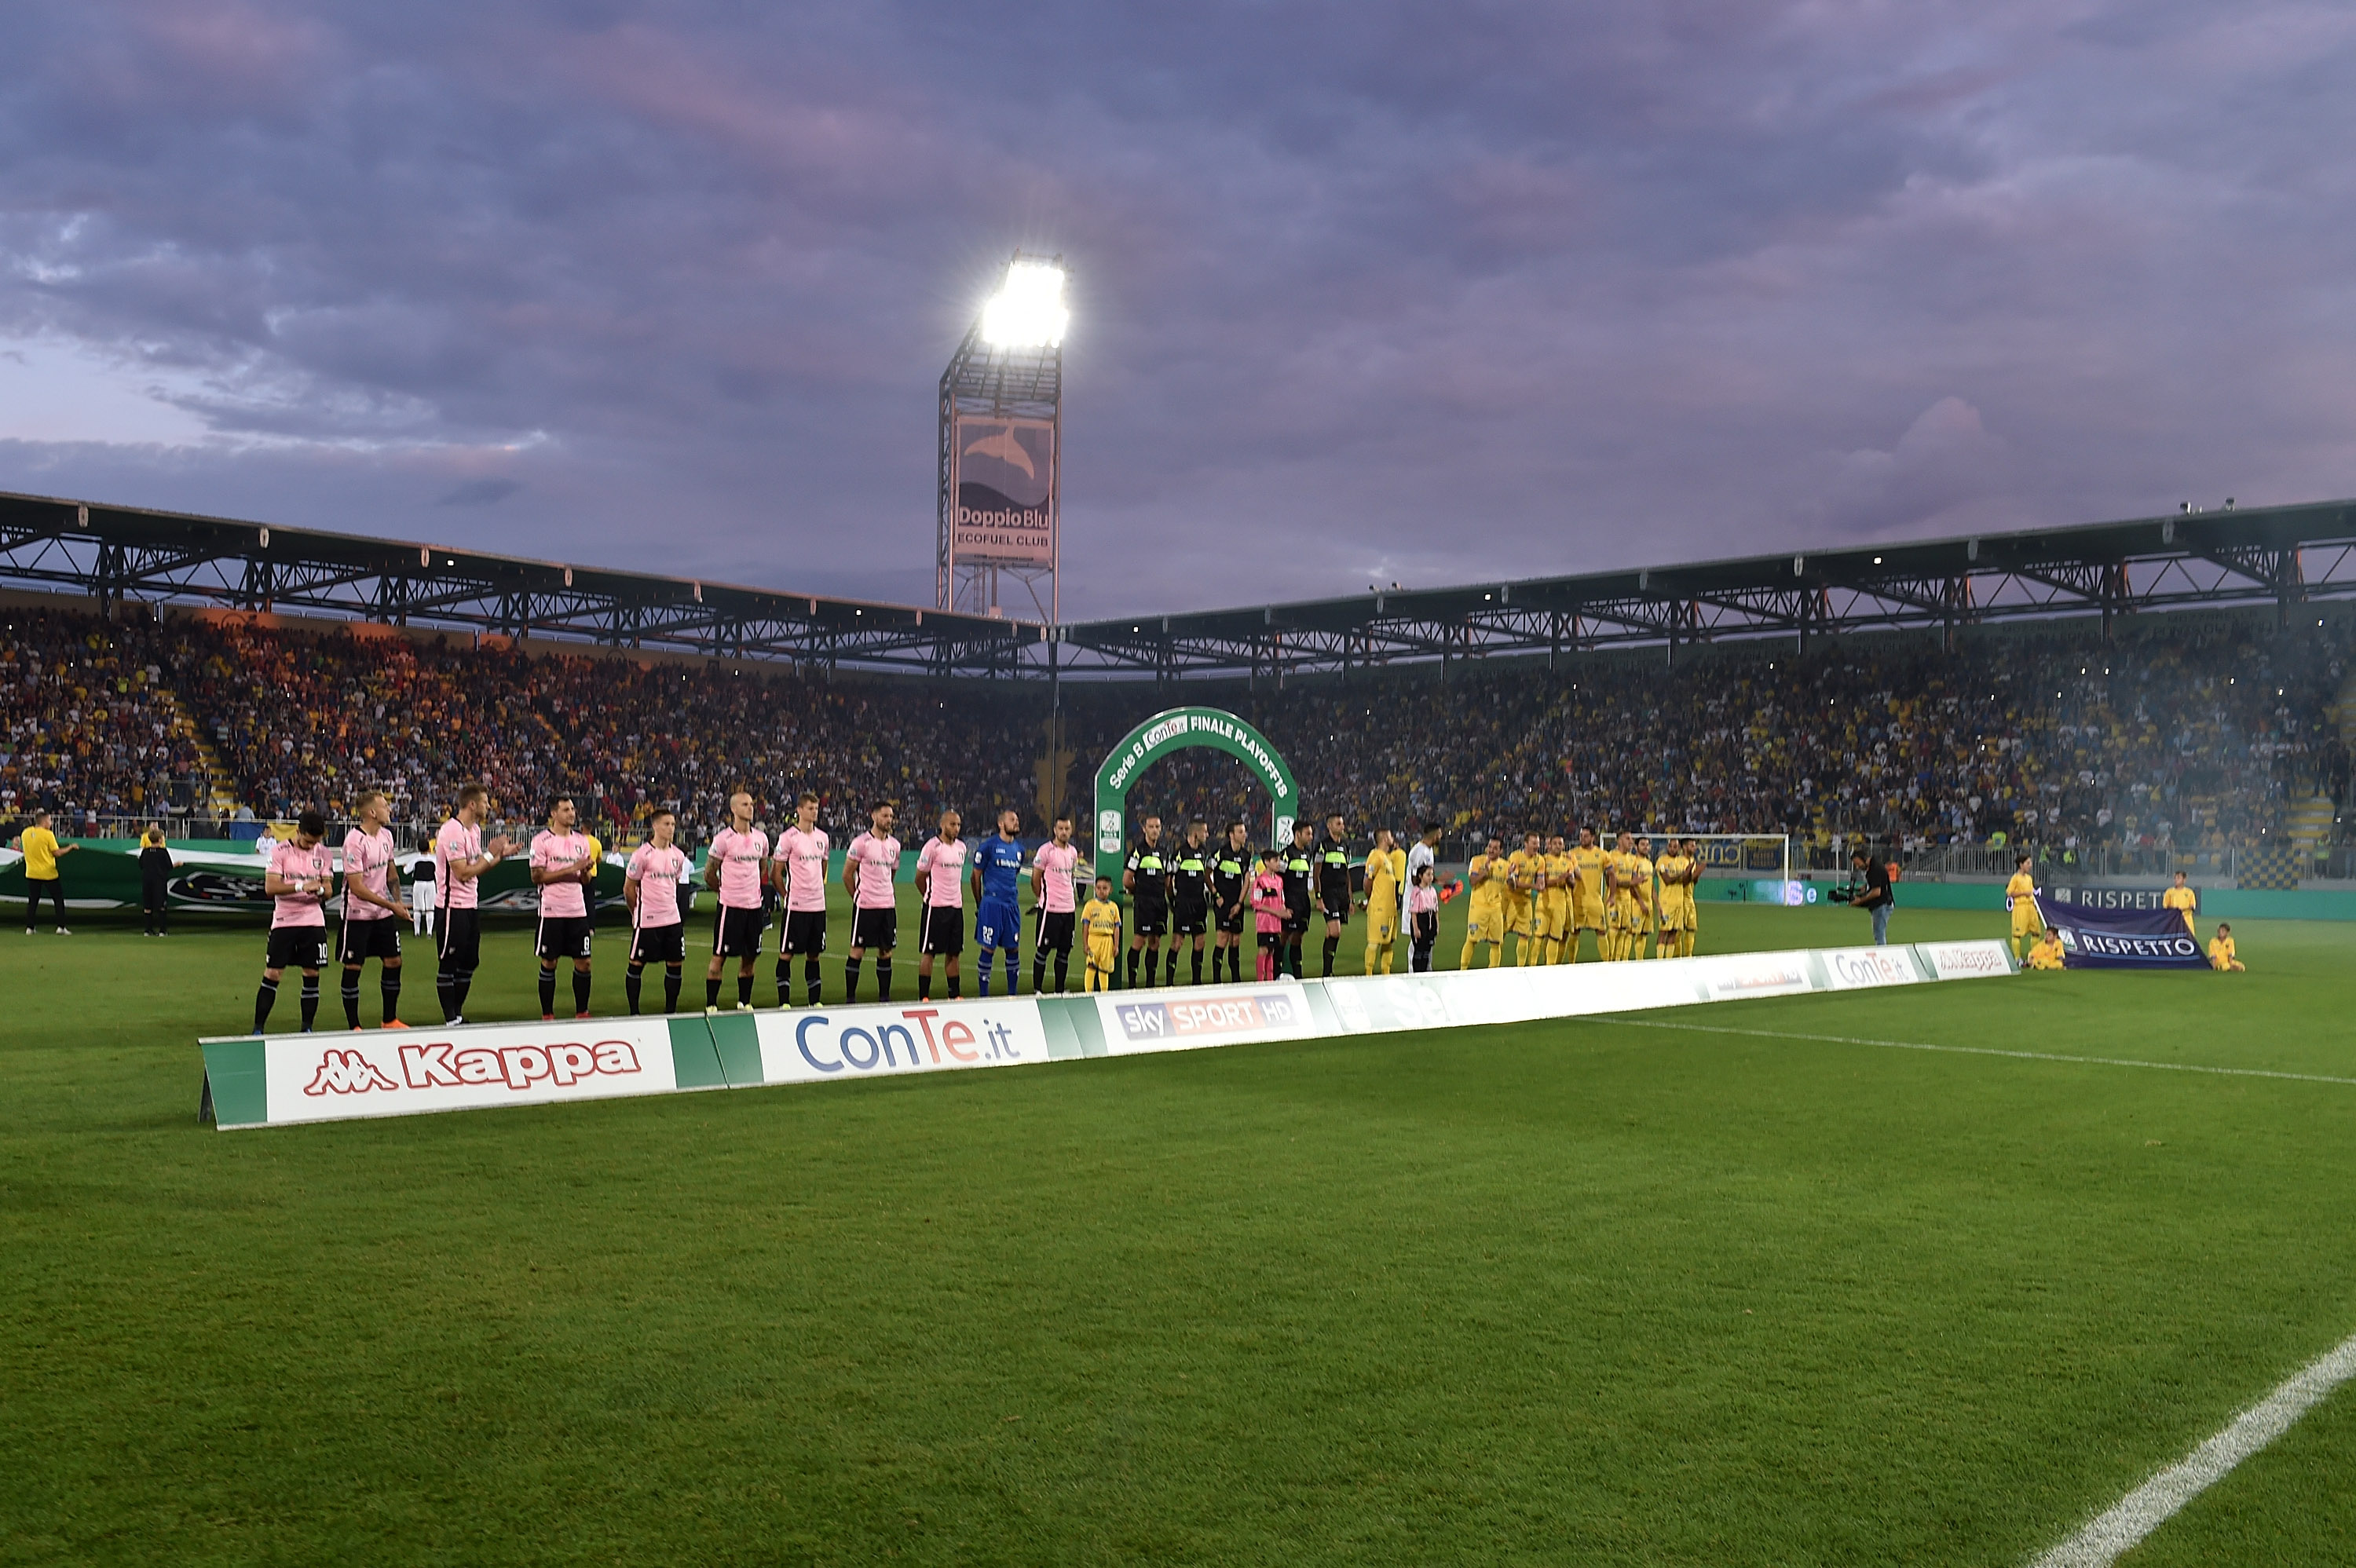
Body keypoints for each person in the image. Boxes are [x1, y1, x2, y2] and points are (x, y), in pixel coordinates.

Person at [434, 784, 517, 1025]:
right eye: (485, 802)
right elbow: (462, 873)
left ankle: (458, 1015)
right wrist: (490, 854)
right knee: (449, 962)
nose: (489, 806)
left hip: (470, 904)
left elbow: (477, 868)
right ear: (472, 804)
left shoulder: (475, 831)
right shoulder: (452, 831)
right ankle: (450, 1019)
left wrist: (500, 856)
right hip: (452, 906)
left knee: (469, 962)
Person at [255, 810, 335, 1034]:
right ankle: (258, 1028)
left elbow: (328, 889)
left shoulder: (325, 854)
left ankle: (307, 1028)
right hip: (285, 919)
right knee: (273, 973)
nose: (312, 846)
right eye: (308, 841)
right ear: (298, 832)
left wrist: (320, 889)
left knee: (312, 973)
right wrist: (301, 886)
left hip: (313, 920)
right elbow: (270, 888)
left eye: (316, 842)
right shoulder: (280, 851)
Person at [338, 790, 410, 1028]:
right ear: (371, 812)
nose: (389, 809)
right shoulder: (354, 841)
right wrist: (392, 905)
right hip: (357, 914)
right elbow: (357, 888)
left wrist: (397, 901)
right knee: (354, 966)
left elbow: (391, 874)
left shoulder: (387, 836)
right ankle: (354, 1026)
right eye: (384, 806)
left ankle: (389, 1019)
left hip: (383, 913)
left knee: (394, 961)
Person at [531, 794, 599, 1021]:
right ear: (554, 814)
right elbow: (537, 876)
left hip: (577, 910)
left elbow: (585, 880)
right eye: (566, 810)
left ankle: (582, 1012)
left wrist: (584, 871)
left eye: (572, 809)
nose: (572, 813)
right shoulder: (542, 841)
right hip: (552, 911)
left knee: (585, 962)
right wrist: (573, 867)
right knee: (550, 962)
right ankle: (547, 1015)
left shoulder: (582, 841)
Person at [702, 787, 769, 1011]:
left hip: (754, 907)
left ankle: (744, 1002)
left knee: (750, 958)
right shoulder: (723, 839)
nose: (750, 808)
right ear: (733, 809)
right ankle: (712, 1004)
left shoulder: (761, 838)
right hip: (731, 907)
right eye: (744, 804)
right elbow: (709, 873)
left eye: (751, 804)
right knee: (719, 956)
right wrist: (724, 891)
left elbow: (762, 868)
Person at [624, 808, 689, 1014]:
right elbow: (628, 888)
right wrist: (637, 911)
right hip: (648, 920)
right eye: (666, 824)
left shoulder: (678, 855)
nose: (671, 828)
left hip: (672, 919)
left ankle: (671, 1011)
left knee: (675, 964)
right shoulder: (642, 855)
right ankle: (634, 1012)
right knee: (637, 964)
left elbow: (675, 882)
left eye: (673, 824)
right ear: (655, 826)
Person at [773, 791, 830, 1007]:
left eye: (816, 809)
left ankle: (814, 1001)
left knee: (814, 955)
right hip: (796, 906)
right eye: (810, 808)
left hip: (818, 905)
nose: (814, 812)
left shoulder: (823, 838)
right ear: (799, 810)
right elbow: (776, 873)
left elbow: (823, 866)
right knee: (787, 953)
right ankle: (784, 1001)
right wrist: (786, 895)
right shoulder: (788, 838)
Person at [841, 800, 901, 1002]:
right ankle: (850, 998)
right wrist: (857, 897)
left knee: (886, 952)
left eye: (891, 816)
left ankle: (884, 997)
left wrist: (885, 892)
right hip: (866, 906)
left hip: (887, 905)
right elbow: (847, 875)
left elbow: (891, 873)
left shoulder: (895, 845)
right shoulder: (861, 843)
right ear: (874, 816)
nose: (889, 820)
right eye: (885, 816)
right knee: (858, 951)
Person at [913, 807, 968, 1001]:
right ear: (942, 825)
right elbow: (919, 877)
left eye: (959, 825)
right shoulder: (932, 847)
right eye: (953, 824)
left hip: (956, 907)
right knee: (929, 952)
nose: (956, 828)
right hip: (935, 908)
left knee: (954, 953)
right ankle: (924, 996)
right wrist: (929, 896)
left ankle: (954, 994)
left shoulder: (962, 848)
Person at [972, 806, 1027, 996]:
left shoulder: (1020, 850)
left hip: (1011, 905)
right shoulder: (988, 847)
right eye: (1012, 819)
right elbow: (975, 877)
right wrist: (981, 903)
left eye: (1017, 820)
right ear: (1001, 823)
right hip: (992, 904)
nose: (1016, 823)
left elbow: (1015, 873)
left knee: (1013, 948)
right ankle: (984, 995)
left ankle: (1012, 994)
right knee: (989, 947)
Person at [1030, 813, 1081, 994]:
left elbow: (1072, 876)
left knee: (1064, 952)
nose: (1064, 832)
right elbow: (1035, 879)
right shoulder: (1045, 851)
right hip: (1050, 909)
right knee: (1043, 950)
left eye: (1067, 829)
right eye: (1061, 829)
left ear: (1071, 830)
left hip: (1069, 909)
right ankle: (1038, 990)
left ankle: (1059, 990)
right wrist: (1042, 899)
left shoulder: (1073, 852)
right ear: (1054, 830)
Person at [1124, 814, 1172, 988]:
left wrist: (1171, 899)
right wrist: (1141, 892)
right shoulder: (1138, 852)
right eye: (1151, 827)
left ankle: (1150, 984)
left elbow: (1167, 880)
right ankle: (1131, 984)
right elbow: (1127, 880)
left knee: (1155, 942)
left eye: (1157, 827)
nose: (1155, 830)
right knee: (1139, 940)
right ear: (1144, 829)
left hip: (1160, 903)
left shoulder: (1165, 852)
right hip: (1144, 903)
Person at [1169, 819, 1213, 985]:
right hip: (1184, 902)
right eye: (1205, 832)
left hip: (1199, 902)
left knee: (1200, 942)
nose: (1207, 835)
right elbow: (1169, 878)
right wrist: (1172, 899)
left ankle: (1196, 981)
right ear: (1196, 834)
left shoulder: (1203, 851)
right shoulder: (1180, 853)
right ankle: (1169, 982)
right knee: (1178, 942)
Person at [16, 808, 75, 934]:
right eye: (50, 820)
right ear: (44, 822)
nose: (51, 823)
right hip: (48, 873)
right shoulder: (48, 835)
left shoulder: (25, 833)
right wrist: (70, 847)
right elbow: (57, 853)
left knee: (33, 901)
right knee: (58, 899)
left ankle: (30, 928)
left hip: (31, 872)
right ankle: (61, 927)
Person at [1211, 821, 1253, 985]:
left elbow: (1247, 881)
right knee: (1222, 938)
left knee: (1236, 940)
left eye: (1245, 831)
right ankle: (1216, 980)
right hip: (1223, 903)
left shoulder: (1246, 856)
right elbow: (1208, 874)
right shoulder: (1220, 853)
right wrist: (1216, 895)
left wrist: (1240, 903)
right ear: (1231, 835)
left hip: (1237, 903)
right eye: (1241, 832)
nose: (1245, 834)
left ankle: (1236, 979)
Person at [1314, 813, 1353, 977]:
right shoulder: (1323, 846)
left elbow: (1347, 874)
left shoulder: (1345, 846)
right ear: (1329, 826)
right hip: (1329, 893)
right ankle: (1327, 971)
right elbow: (1316, 873)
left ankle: (1328, 971)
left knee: (1333, 933)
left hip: (1342, 893)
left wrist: (1350, 899)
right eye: (1338, 824)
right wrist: (1318, 897)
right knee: (1335, 931)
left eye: (1342, 824)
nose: (1342, 826)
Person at [1362, 827, 1405, 974]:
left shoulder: (1387, 858)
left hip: (1390, 909)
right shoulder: (1376, 856)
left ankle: (1386, 973)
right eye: (1391, 835)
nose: (1393, 838)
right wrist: (1371, 900)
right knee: (1374, 942)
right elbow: (1367, 883)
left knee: (1388, 943)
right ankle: (1368, 974)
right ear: (1385, 839)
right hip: (1379, 908)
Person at [1460, 834, 1506, 970]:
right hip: (1478, 907)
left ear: (1501, 851)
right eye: (1490, 847)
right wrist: (1484, 873)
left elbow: (1511, 886)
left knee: (1496, 942)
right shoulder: (1477, 860)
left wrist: (1512, 880)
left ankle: (1493, 971)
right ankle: (1463, 970)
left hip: (1496, 908)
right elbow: (1472, 882)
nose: (1491, 850)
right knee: (1472, 939)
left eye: (1495, 848)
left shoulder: (1506, 866)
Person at [1280, 821, 1317, 979]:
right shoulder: (1286, 854)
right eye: (1308, 833)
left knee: (1298, 937)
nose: (1311, 837)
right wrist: (1281, 904)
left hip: (1304, 901)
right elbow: (1279, 880)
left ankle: (1298, 975)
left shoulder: (1308, 853)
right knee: (1284, 936)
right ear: (1297, 834)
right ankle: (1276, 971)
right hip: (1290, 901)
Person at [1505, 831, 1545, 967]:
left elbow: (1540, 879)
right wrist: (1534, 886)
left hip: (1526, 900)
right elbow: (1514, 883)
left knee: (1525, 935)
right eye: (1534, 843)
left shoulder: (1540, 860)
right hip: (1510, 899)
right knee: (1500, 934)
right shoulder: (1516, 857)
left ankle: (1520, 969)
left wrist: (1541, 884)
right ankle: (1494, 967)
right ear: (1526, 843)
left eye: (1538, 844)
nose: (1537, 846)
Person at [1569, 827, 1608, 963]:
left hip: (1595, 900)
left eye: (1586, 836)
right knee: (1574, 932)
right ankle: (1571, 963)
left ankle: (1607, 962)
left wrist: (1612, 894)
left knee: (1601, 931)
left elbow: (1611, 875)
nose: (1582, 838)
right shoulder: (1572, 854)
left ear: (1593, 838)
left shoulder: (1602, 855)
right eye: (1581, 836)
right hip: (1577, 900)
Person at [1250, 847, 1290, 981]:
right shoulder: (1260, 882)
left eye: (1279, 860)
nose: (1279, 863)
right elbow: (1256, 903)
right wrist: (1277, 912)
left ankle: (1270, 981)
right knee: (1264, 950)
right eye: (1275, 860)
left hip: (1276, 924)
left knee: (1271, 951)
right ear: (1267, 862)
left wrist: (1285, 911)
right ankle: (1260, 981)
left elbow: (1281, 900)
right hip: (1264, 923)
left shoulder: (1279, 881)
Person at [1079, 874, 1123, 992]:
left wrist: (1116, 945)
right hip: (1094, 939)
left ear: (1110, 890)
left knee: (1104, 968)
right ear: (1095, 889)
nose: (1101, 891)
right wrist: (1085, 944)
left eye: (1105, 888)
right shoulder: (1090, 905)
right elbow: (1086, 926)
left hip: (1107, 941)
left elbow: (1117, 928)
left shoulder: (1113, 907)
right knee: (1091, 965)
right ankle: (1088, 992)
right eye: (1098, 888)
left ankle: (1104, 993)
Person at [1653, 837, 1693, 961]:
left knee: (1674, 933)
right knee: (1663, 932)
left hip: (1679, 902)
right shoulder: (1662, 861)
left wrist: (1689, 872)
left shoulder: (1682, 862)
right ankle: (1660, 960)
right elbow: (1667, 879)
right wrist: (1682, 874)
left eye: (1675, 847)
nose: (1672, 849)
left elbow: (1686, 882)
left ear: (1679, 848)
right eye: (1670, 846)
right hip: (1666, 902)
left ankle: (1669, 961)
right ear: (1667, 847)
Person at [1404, 822, 1440, 948]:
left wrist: (1438, 880)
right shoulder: (1420, 852)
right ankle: (1413, 968)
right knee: (1417, 938)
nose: (1441, 837)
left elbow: (1425, 876)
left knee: (1426, 937)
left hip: (1424, 900)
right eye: (1439, 834)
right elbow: (1416, 878)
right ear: (1434, 835)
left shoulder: (1428, 850)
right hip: (1417, 900)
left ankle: (1426, 968)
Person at [1540, 832, 1573, 963]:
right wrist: (1560, 879)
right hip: (1545, 901)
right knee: (1540, 936)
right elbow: (1542, 883)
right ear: (1550, 845)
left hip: (1562, 901)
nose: (1558, 846)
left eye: (1560, 844)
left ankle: (1553, 965)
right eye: (1555, 843)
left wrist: (1569, 880)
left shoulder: (1567, 862)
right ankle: (1533, 966)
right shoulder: (1544, 860)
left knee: (1557, 936)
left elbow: (1573, 883)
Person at [2004, 853, 2042, 965]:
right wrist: (2023, 893)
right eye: (2028, 863)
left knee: (2036, 932)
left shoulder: (2029, 878)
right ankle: (2017, 958)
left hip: (2030, 907)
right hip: (2020, 908)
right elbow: (2009, 892)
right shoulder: (2015, 878)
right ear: (2021, 865)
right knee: (2017, 934)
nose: (2030, 865)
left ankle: (2033, 956)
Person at [1852, 844, 1894, 945]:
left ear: (1864, 859)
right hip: (1883, 903)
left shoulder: (1875, 869)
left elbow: (1876, 892)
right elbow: (1876, 884)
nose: (1858, 867)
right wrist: (1866, 887)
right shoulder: (1874, 866)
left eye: (1858, 864)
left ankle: (1881, 956)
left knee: (1879, 935)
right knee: (1879, 934)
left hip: (1882, 904)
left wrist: (1860, 901)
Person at [138, 822, 173, 937]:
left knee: (148, 906)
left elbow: (141, 865)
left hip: (147, 881)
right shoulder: (163, 852)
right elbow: (169, 866)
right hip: (159, 881)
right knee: (161, 906)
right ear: (159, 839)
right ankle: (162, 930)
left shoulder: (145, 852)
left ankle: (148, 930)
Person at [1629, 835, 1659, 959]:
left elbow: (1651, 886)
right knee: (1631, 933)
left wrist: (1657, 904)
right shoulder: (1634, 862)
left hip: (1648, 904)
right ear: (1636, 847)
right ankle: (1621, 960)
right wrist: (1641, 903)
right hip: (1636, 904)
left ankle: (1639, 960)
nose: (1646, 847)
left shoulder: (1649, 864)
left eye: (1647, 845)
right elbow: (1632, 884)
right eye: (1643, 844)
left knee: (1644, 933)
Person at [1407, 864, 1440, 973]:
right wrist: (1416, 928)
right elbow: (1414, 913)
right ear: (1421, 876)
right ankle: (1417, 972)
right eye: (1428, 874)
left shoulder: (1433, 891)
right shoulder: (1417, 892)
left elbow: (1436, 910)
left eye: (1432, 874)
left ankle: (1425, 972)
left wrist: (1437, 925)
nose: (1431, 877)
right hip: (1421, 921)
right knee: (1419, 950)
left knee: (1427, 949)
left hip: (1430, 920)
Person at [409, 842, 437, 937]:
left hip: (419, 883)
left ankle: (417, 932)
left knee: (417, 908)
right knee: (430, 908)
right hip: (430, 883)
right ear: (429, 848)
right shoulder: (434, 859)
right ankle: (429, 932)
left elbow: (406, 871)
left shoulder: (415, 859)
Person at [2163, 869, 2197, 934]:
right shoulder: (2169, 892)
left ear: (2184, 880)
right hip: (2174, 920)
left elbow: (2192, 906)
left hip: (2187, 920)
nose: (2176, 880)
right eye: (2175, 878)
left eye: (2178, 878)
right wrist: (2175, 910)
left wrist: (2182, 910)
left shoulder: (2189, 892)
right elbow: (2166, 905)